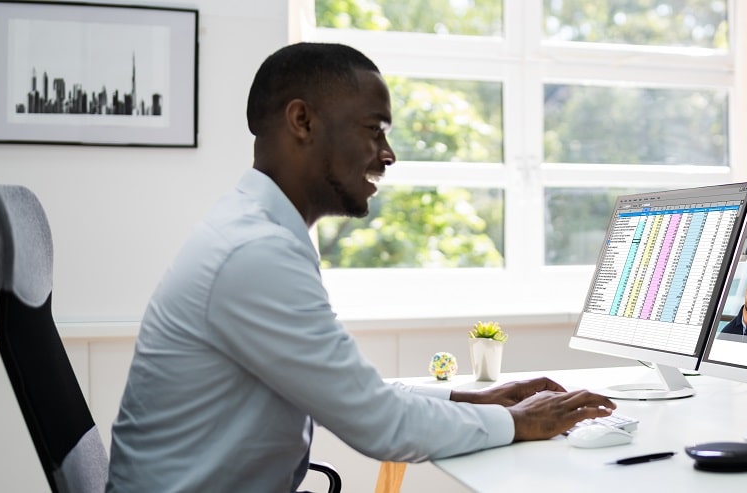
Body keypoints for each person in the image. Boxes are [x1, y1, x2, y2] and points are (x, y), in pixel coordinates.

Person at [106, 42, 616, 492]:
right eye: (374, 131)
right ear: (302, 121)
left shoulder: (257, 231)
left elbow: (346, 394)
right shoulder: (254, 253)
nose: (388, 154)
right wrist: (517, 423)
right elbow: (378, 425)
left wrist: (474, 400)